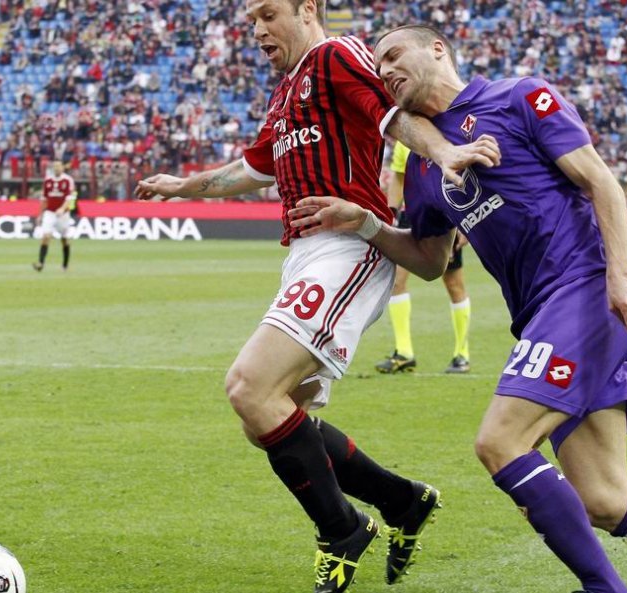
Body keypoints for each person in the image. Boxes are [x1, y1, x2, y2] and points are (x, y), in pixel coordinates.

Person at [289, 25, 627, 593]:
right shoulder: (421, 164)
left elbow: (600, 182)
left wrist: (618, 275)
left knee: (500, 442)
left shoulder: (518, 97)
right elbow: (429, 259)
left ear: (437, 48)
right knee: (605, 500)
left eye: (394, 55)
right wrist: (365, 223)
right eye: (379, 64)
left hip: (587, 288)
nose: (385, 70)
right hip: (541, 316)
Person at [133, 3, 500, 592]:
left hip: (348, 246)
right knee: (271, 418)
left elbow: (392, 119)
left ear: (308, 10)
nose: (257, 30)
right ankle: (402, 501)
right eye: (250, 20)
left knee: (250, 389)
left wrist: (445, 152)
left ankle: (343, 530)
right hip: (306, 254)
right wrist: (185, 187)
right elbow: (253, 169)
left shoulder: (335, 56)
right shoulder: (287, 94)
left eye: (268, 14)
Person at [376, 140, 471, 374]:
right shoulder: (402, 140)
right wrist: (391, 216)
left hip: (444, 213)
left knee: (453, 284)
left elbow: (464, 175)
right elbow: (398, 177)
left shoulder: (443, 132)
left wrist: (465, 222)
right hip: (410, 215)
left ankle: (462, 354)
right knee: (396, 281)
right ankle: (404, 352)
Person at [33, 160, 75, 272]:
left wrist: (62, 208)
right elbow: (44, 199)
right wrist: (40, 214)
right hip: (50, 212)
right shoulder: (48, 180)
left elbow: (69, 198)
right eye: (55, 166)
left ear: (62, 167)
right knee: (45, 236)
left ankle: (65, 265)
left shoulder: (68, 180)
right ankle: (40, 263)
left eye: (59, 166)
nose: (57, 168)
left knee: (64, 239)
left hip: (63, 214)